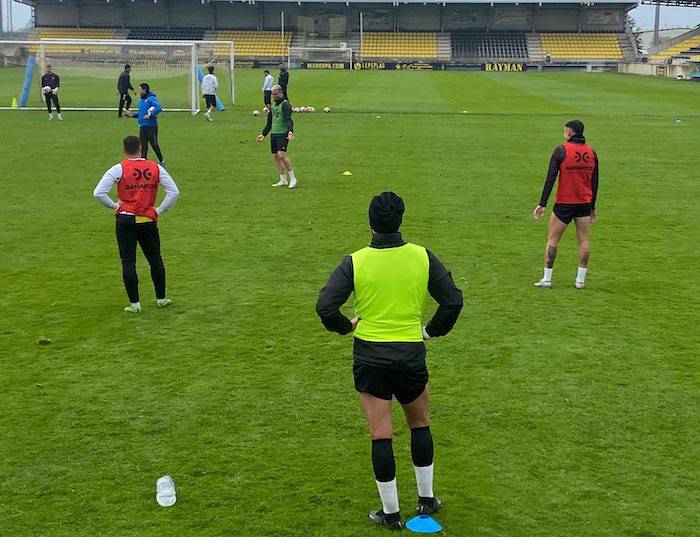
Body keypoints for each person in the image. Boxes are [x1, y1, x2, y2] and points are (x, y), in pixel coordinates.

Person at [316, 192, 463, 530]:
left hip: (370, 356)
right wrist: (430, 331)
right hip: (410, 354)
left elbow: (325, 306)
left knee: (381, 435)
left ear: (371, 224)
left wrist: (343, 327)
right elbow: (452, 301)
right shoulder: (422, 257)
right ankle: (426, 499)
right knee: (420, 424)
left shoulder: (355, 261)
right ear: (400, 220)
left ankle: (391, 514)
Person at [93, 135, 179, 313]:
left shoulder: (118, 169)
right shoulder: (155, 168)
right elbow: (174, 192)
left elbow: (99, 193)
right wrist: (160, 210)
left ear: (124, 149)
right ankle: (161, 298)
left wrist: (115, 206)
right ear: (141, 147)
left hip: (125, 219)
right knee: (155, 259)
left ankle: (135, 304)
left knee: (128, 262)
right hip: (147, 220)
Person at [533, 119, 599, 289]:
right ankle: (580, 281)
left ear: (570, 133)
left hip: (564, 202)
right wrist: (592, 207)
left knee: (553, 239)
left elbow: (551, 177)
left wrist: (542, 203)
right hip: (584, 203)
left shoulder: (561, 150)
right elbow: (595, 181)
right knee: (584, 241)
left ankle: (547, 279)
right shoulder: (591, 152)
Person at [257, 85, 299, 189]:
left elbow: (289, 119)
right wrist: (263, 134)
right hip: (274, 133)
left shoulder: (285, 105)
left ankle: (293, 178)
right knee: (276, 156)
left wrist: (290, 131)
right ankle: (283, 179)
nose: (274, 96)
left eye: (275, 94)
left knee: (282, 155)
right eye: (273, 95)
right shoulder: (273, 105)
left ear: (281, 93)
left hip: (283, 133)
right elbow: (269, 122)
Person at [125, 83, 164, 164]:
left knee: (154, 144)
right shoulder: (141, 100)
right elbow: (141, 114)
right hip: (142, 126)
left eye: (140, 89)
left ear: (144, 90)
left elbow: (159, 108)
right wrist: (132, 115)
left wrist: (150, 115)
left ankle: (161, 161)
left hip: (151, 126)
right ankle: (143, 162)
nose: (139, 91)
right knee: (143, 146)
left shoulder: (151, 99)